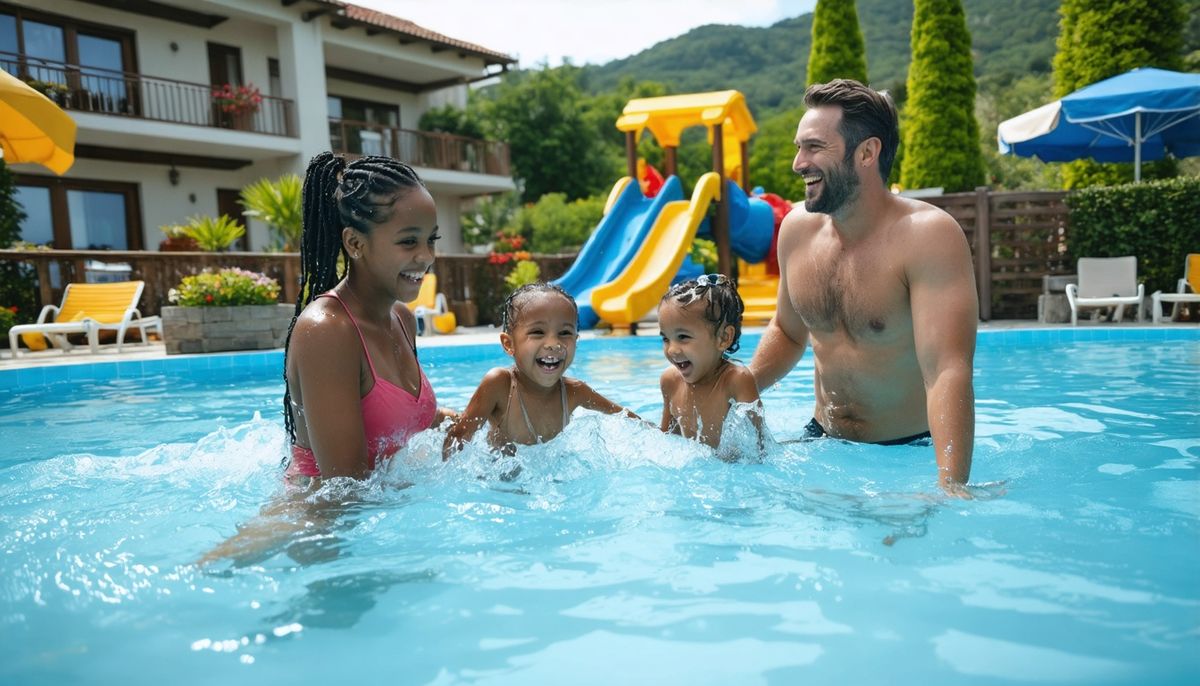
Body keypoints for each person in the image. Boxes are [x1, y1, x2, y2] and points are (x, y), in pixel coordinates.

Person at [747, 79, 978, 493]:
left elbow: (947, 370)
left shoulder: (927, 236)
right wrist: (736, 387)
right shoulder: (796, 230)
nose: (799, 163)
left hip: (906, 456)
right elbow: (787, 331)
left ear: (867, 152)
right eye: (799, 147)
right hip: (821, 444)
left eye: (815, 147)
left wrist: (950, 486)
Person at [284, 152, 457, 483]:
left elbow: (396, 421)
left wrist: (473, 421)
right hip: (316, 525)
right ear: (354, 242)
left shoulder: (402, 320)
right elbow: (345, 488)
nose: (426, 256)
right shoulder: (327, 331)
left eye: (431, 239)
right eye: (408, 241)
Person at [442, 282, 634, 457]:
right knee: (454, 420)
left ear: (576, 340)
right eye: (537, 332)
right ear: (509, 344)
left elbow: (626, 417)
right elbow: (459, 437)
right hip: (499, 474)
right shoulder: (500, 384)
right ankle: (444, 416)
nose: (553, 344)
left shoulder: (575, 391)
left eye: (565, 333)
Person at [658, 274, 764, 455]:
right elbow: (666, 442)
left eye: (683, 337)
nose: (672, 350)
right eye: (666, 338)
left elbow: (759, 448)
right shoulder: (670, 381)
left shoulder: (735, 381)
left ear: (723, 338)